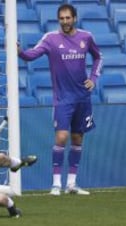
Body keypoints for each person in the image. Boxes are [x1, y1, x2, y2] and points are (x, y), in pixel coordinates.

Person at [18, 3, 102, 196]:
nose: (65, 21)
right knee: (61, 137)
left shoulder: (86, 37)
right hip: (63, 98)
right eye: (61, 18)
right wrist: (21, 52)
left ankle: (71, 183)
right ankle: (56, 183)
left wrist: (93, 78)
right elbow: (32, 55)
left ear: (74, 18)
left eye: (68, 18)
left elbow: (98, 57)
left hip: (83, 96)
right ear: (59, 20)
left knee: (77, 138)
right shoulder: (51, 39)